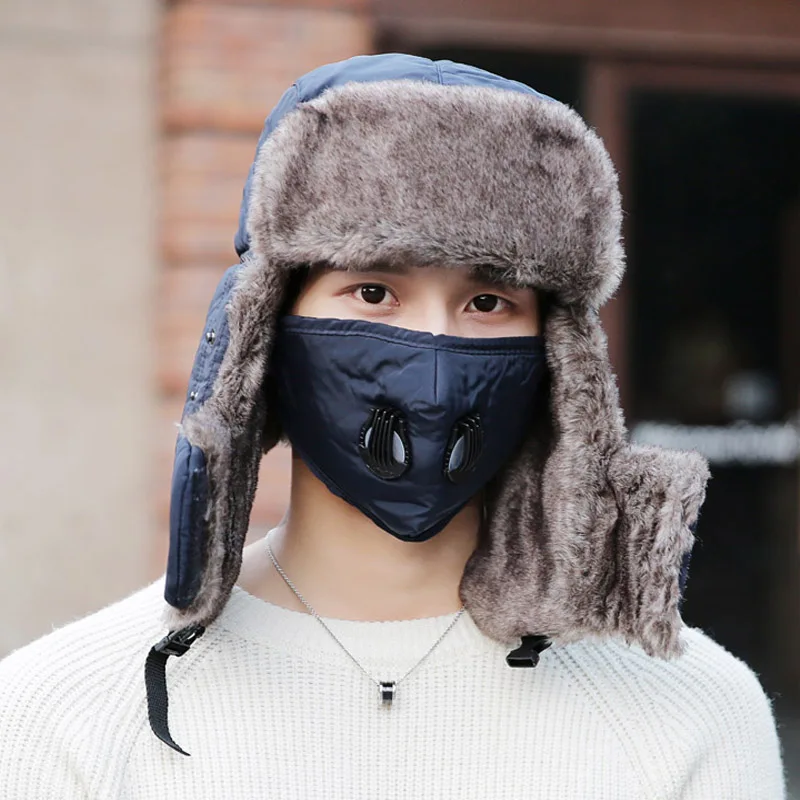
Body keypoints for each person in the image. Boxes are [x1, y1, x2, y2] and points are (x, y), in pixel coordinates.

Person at [0, 53, 785, 799]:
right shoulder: (66, 712)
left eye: (488, 302)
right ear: (266, 329)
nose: (434, 354)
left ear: (557, 356)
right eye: (374, 292)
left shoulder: (690, 713)